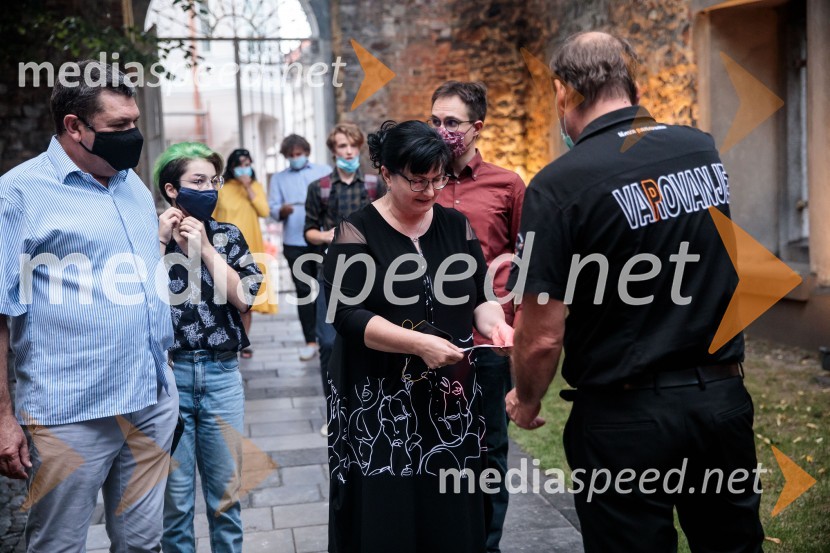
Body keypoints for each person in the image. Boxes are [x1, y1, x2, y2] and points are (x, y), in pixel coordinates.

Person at [506, 32, 764, 553]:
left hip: (625, 419)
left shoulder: (556, 186)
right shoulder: (701, 148)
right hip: (720, 401)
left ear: (563, 92)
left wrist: (526, 397)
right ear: (633, 83)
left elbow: (539, 334)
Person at [0, 60, 178, 551]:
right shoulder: (19, 194)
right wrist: (3, 417)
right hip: (71, 412)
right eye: (119, 126)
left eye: (135, 122)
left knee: (143, 542)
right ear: (74, 127)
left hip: (150, 399)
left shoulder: (133, 185)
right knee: (58, 544)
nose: (133, 136)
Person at [324, 120, 514, 553]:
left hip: (448, 396)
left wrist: (494, 324)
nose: (429, 191)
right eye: (417, 180)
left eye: (437, 179)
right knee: (387, 512)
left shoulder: (456, 225)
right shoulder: (356, 232)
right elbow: (348, 316)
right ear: (387, 174)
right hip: (379, 397)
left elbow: (481, 296)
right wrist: (417, 344)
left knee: (449, 507)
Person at [430, 80, 525, 552]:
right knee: (435, 445)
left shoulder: (507, 185)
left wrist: (519, 331)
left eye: (451, 122)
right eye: (435, 121)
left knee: (488, 450)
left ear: (476, 128)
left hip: (490, 343)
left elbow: (527, 266)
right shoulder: (421, 183)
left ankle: (486, 544)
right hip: (430, 344)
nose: (442, 130)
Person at [156, 142, 262, 553]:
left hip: (221, 376)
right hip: (169, 378)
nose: (209, 188)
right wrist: (159, 242)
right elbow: (136, 301)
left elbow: (245, 297)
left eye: (213, 181)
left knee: (225, 497)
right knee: (176, 503)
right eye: (197, 181)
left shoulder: (227, 235)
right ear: (171, 190)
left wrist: (205, 249)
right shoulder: (151, 237)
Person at [304, 122, 384, 435]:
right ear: (333, 150)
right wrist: (331, 235)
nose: (348, 151)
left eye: (352, 146)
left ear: (359, 147)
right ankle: (335, 412)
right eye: (341, 146)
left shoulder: (375, 185)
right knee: (327, 342)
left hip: (372, 271)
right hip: (332, 272)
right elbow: (308, 231)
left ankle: (373, 411)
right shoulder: (320, 187)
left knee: (372, 340)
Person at [268, 134, 332, 361]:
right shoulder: (278, 178)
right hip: (294, 241)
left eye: (299, 154)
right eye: (291, 155)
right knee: (305, 292)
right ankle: (310, 340)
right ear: (286, 156)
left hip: (321, 238)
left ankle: (329, 335)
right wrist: (282, 210)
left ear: (306, 152)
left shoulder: (323, 171)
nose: (296, 158)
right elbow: (272, 210)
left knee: (327, 288)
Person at [213, 148, 277, 359]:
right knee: (225, 294)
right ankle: (226, 336)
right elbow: (212, 215)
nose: (244, 168)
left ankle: (244, 341)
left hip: (250, 248)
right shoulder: (222, 188)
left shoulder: (255, 186)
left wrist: (249, 188)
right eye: (240, 164)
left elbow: (264, 211)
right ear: (231, 167)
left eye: (247, 163)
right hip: (224, 249)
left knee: (246, 294)